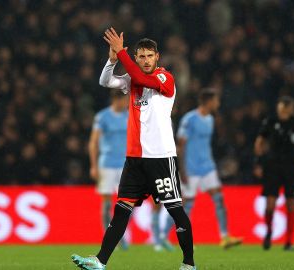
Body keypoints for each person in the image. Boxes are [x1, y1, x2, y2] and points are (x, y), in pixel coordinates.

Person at [71, 28, 195, 270]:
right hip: (135, 159)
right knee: (121, 210)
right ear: (136, 58)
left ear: (157, 57)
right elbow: (105, 81)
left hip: (161, 158)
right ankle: (100, 261)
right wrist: (113, 59)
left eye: (150, 56)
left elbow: (141, 79)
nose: (146, 60)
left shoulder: (164, 79)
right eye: (141, 56)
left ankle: (188, 263)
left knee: (176, 212)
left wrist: (122, 53)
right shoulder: (132, 81)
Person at [161, 89, 242, 249]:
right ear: (208, 101)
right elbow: (181, 146)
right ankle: (164, 235)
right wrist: (182, 171)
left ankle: (225, 237)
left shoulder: (211, 119)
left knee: (219, 199)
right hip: (191, 169)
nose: (218, 103)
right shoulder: (190, 119)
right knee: (185, 205)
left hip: (208, 167)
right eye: (216, 100)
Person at [253, 96, 294, 251]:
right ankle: (269, 232)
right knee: (270, 203)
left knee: (291, 203)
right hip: (272, 166)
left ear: (291, 109)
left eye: (287, 109)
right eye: (282, 109)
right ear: (278, 109)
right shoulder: (270, 122)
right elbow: (259, 142)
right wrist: (258, 162)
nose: (284, 112)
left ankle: (289, 241)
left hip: (290, 167)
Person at [89, 90, 129, 250]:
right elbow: (93, 142)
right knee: (107, 204)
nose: (126, 103)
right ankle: (110, 238)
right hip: (106, 164)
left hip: (126, 164)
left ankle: (120, 234)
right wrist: (93, 166)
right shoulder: (102, 117)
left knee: (126, 203)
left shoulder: (130, 115)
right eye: (124, 100)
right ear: (116, 100)